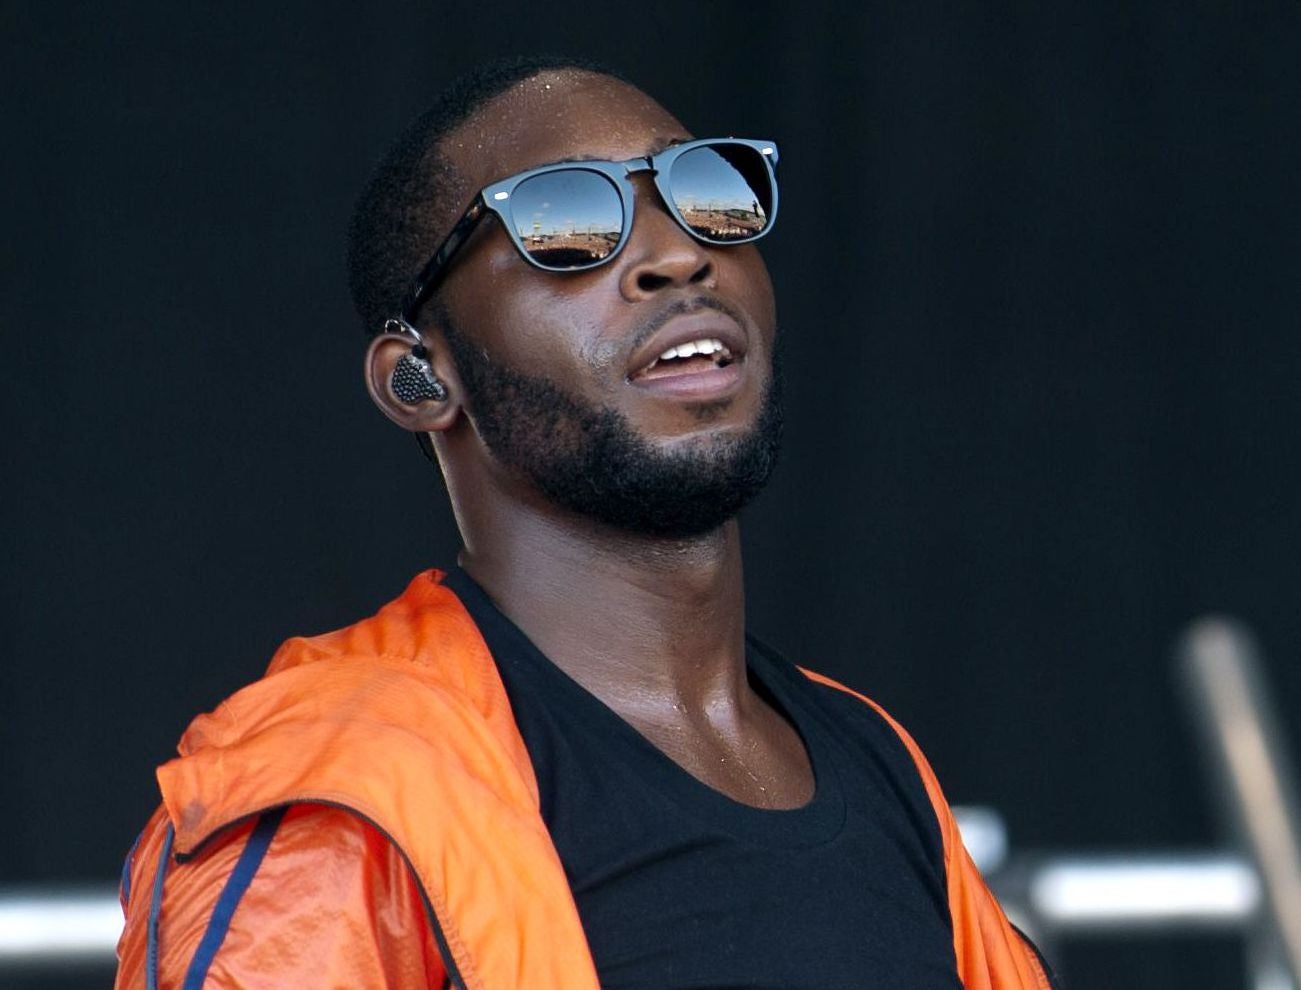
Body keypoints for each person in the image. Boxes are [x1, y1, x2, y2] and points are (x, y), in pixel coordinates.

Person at [115, 56, 1058, 989]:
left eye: (707, 195)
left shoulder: (875, 755)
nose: (678, 255)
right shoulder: (347, 789)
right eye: (566, 220)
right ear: (421, 376)